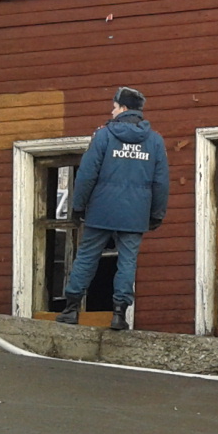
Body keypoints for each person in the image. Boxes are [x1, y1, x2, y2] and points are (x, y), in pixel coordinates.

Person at [56, 87, 169, 331]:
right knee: (127, 262)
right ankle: (119, 314)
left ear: (124, 108)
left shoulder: (104, 136)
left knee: (87, 256)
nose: (112, 110)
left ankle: (71, 309)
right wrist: (156, 214)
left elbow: (87, 174)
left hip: (101, 209)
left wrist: (78, 206)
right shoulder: (155, 141)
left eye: (115, 106)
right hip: (135, 213)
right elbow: (161, 182)